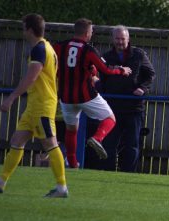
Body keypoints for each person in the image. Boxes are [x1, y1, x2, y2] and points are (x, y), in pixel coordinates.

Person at [0, 14, 68, 197]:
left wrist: (11, 98)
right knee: (17, 141)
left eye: (23, 27)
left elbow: (32, 76)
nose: (22, 31)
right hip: (34, 105)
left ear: (29, 29)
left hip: (42, 105)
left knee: (50, 143)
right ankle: (0, 182)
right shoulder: (46, 47)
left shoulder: (40, 49)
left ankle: (61, 187)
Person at [53, 18, 131, 168]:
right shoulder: (88, 50)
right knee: (110, 118)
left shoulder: (59, 46)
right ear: (88, 33)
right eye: (91, 32)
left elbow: (52, 64)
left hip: (66, 97)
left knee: (71, 129)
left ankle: (72, 163)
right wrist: (121, 70)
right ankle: (97, 138)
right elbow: (105, 69)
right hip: (86, 95)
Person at [95, 25, 155, 172]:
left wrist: (142, 88)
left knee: (132, 145)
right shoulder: (106, 57)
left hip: (134, 108)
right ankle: (107, 173)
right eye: (117, 38)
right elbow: (100, 78)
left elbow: (150, 74)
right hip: (112, 109)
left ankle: (128, 174)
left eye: (123, 39)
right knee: (109, 143)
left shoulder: (139, 55)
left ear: (128, 39)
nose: (120, 42)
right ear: (113, 39)